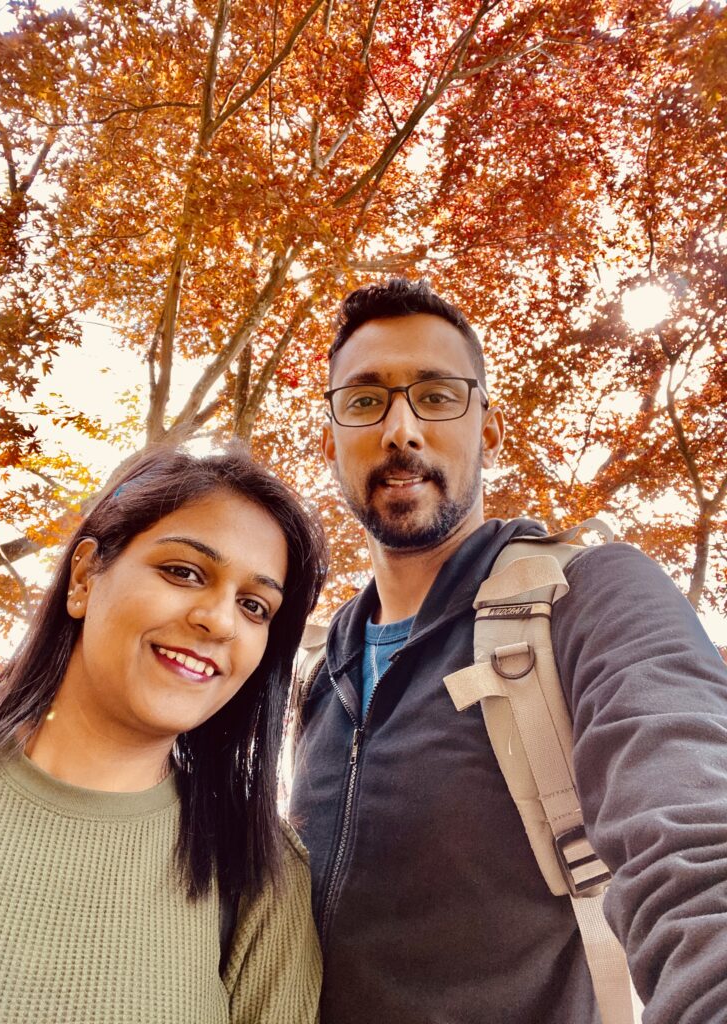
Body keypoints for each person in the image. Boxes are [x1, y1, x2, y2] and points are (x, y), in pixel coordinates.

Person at [290, 277, 727, 1024]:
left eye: (436, 395)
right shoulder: (317, 673)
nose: (401, 429)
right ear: (329, 439)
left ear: (488, 429)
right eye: (365, 401)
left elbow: (692, 836)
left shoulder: (590, 595)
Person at [0, 445, 327, 1024]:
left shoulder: (261, 874)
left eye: (255, 606)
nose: (220, 620)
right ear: (83, 577)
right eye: (184, 572)